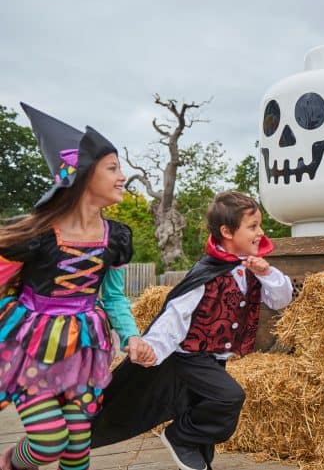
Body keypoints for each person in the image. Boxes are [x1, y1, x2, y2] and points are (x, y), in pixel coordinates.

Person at [0, 104, 155, 470]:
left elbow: (114, 295)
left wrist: (131, 336)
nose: (122, 177)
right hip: (33, 348)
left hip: (85, 348)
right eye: (113, 168)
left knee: (78, 443)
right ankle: (10, 463)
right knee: (48, 441)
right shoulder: (35, 235)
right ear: (84, 176)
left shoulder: (115, 237)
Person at [92, 191, 293, 470]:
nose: (261, 232)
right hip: (190, 357)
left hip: (216, 358)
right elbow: (175, 314)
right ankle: (179, 436)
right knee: (229, 397)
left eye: (259, 225)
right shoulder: (205, 272)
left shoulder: (251, 267)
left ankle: (197, 455)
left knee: (204, 420)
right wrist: (152, 345)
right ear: (227, 231)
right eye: (253, 226)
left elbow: (282, 299)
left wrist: (267, 272)